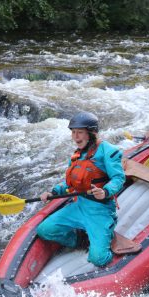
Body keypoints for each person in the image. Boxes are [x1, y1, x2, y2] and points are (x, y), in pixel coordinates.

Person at [36, 112, 125, 267]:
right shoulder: (78, 154)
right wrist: (53, 192)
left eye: (80, 132)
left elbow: (118, 178)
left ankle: (105, 235)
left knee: (98, 258)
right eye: (73, 132)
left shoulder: (108, 150)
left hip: (100, 210)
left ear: (91, 133)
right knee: (45, 229)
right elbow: (71, 183)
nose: (76, 137)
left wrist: (105, 191)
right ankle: (80, 239)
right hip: (79, 205)